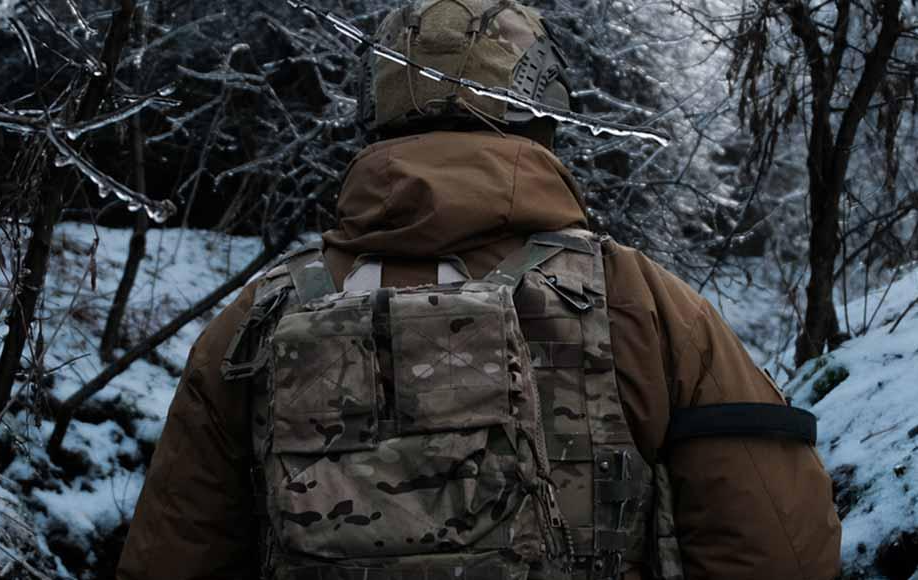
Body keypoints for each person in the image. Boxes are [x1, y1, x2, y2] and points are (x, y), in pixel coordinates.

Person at [117, 1, 841, 579]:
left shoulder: (261, 314)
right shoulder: (636, 297)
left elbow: (172, 554)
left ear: (379, 111)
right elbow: (777, 541)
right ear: (540, 103)